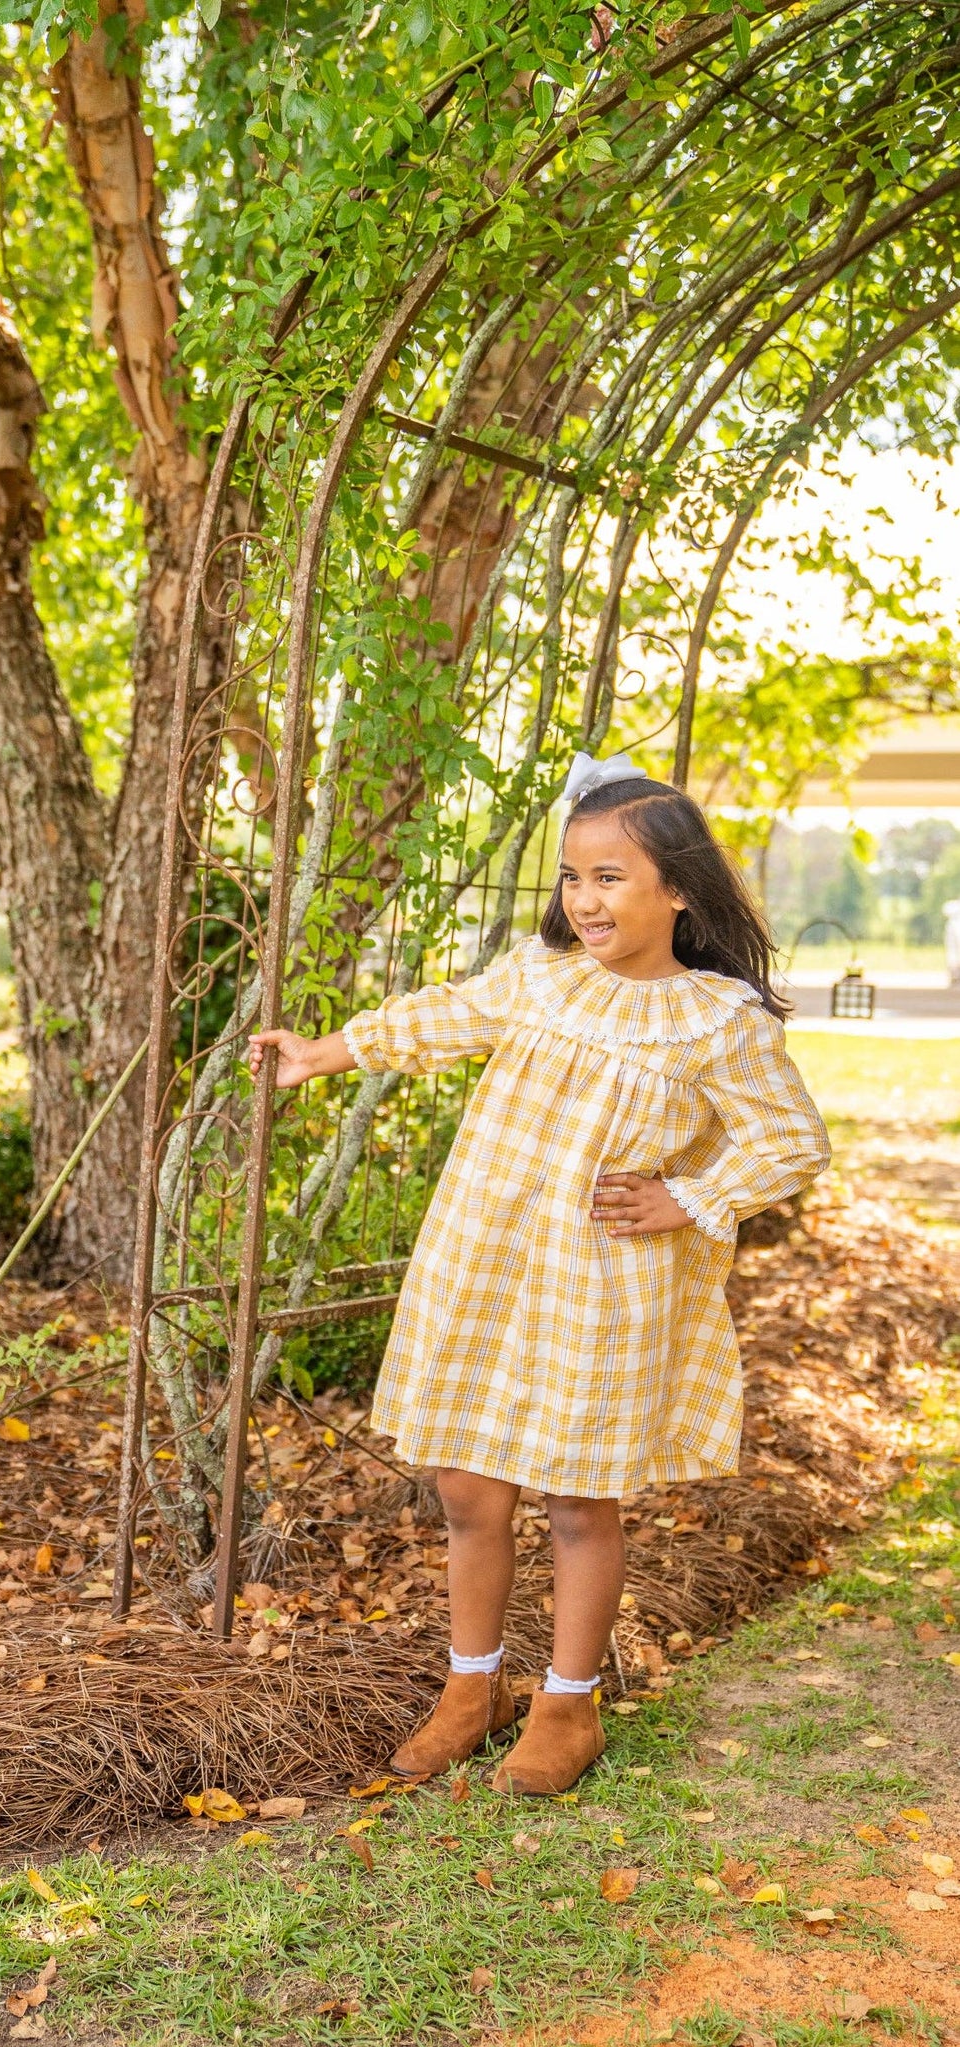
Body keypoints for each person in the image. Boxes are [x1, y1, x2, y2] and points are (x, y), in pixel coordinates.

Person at [248, 754, 830, 1797]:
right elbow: (442, 1016)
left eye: (609, 877)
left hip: (597, 1285)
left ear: (678, 889)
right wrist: (324, 1051)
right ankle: (470, 1688)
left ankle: (567, 1705)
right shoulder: (540, 975)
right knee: (467, 1483)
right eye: (571, 876)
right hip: (483, 1256)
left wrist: (688, 1197)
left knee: (575, 1495)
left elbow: (790, 1139)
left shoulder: (717, 1019)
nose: (583, 898)